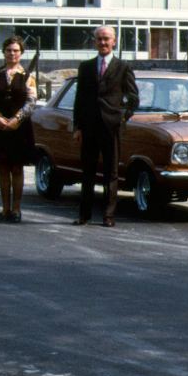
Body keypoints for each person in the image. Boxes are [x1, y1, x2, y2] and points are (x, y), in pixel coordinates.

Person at [72, 25, 139, 227]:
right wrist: (77, 127)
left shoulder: (123, 67)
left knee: (111, 172)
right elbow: (79, 99)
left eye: (106, 38)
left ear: (114, 41)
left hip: (112, 127)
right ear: (94, 42)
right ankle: (84, 215)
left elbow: (133, 99)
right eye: (99, 39)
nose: (103, 42)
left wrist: (122, 117)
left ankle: (108, 215)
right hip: (89, 126)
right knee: (88, 171)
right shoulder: (85, 67)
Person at [0, 35, 37, 223]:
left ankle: (16, 210)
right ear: (3, 52)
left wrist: (17, 119)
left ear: (21, 53)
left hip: (19, 129)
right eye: (8, 50)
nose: (12, 53)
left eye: (15, 50)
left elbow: (31, 101)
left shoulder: (27, 76)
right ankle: (4, 210)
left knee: (17, 168)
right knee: (2, 168)